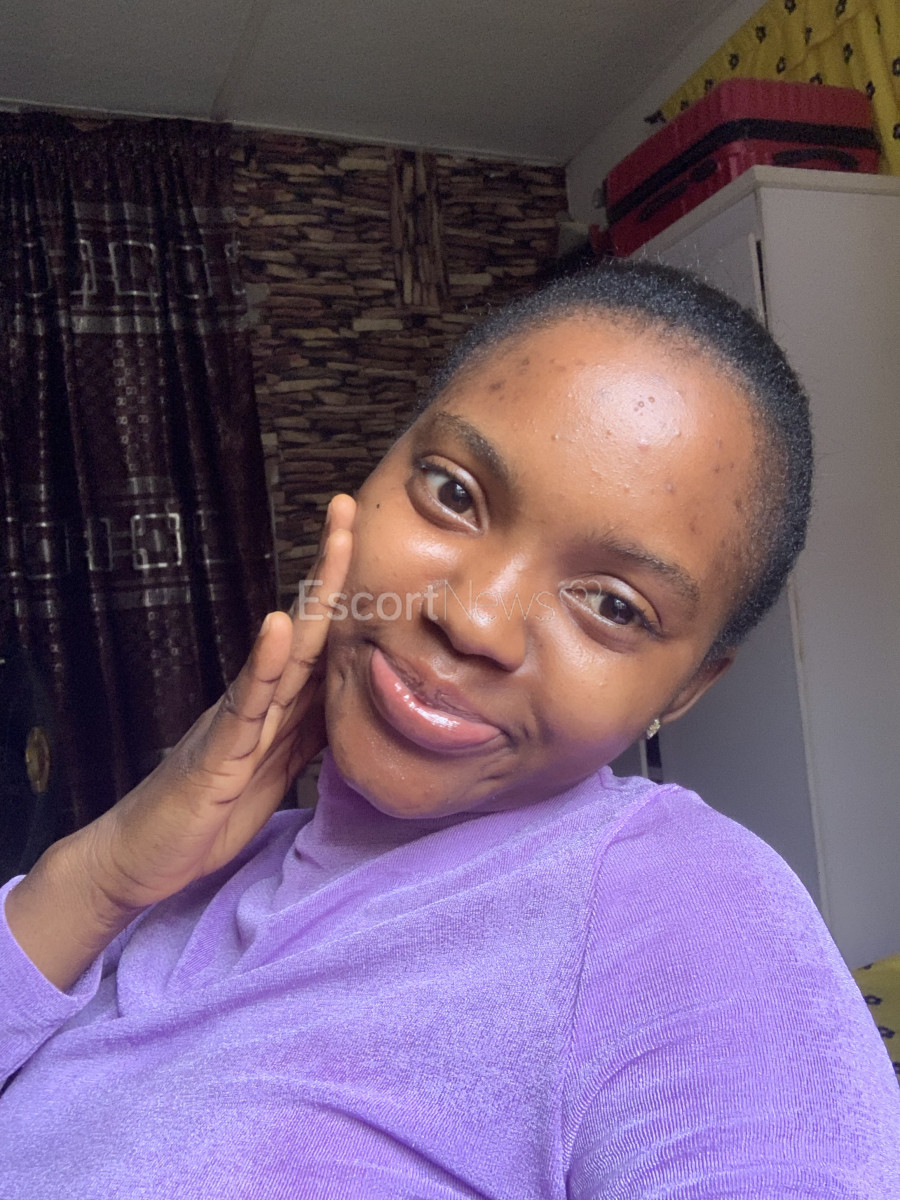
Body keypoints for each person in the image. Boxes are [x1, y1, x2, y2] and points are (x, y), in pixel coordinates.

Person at [2, 260, 899, 1198]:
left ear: (687, 688)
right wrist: (101, 875)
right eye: (454, 493)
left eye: (612, 605)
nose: (474, 619)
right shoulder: (198, 874)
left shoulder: (684, 910)